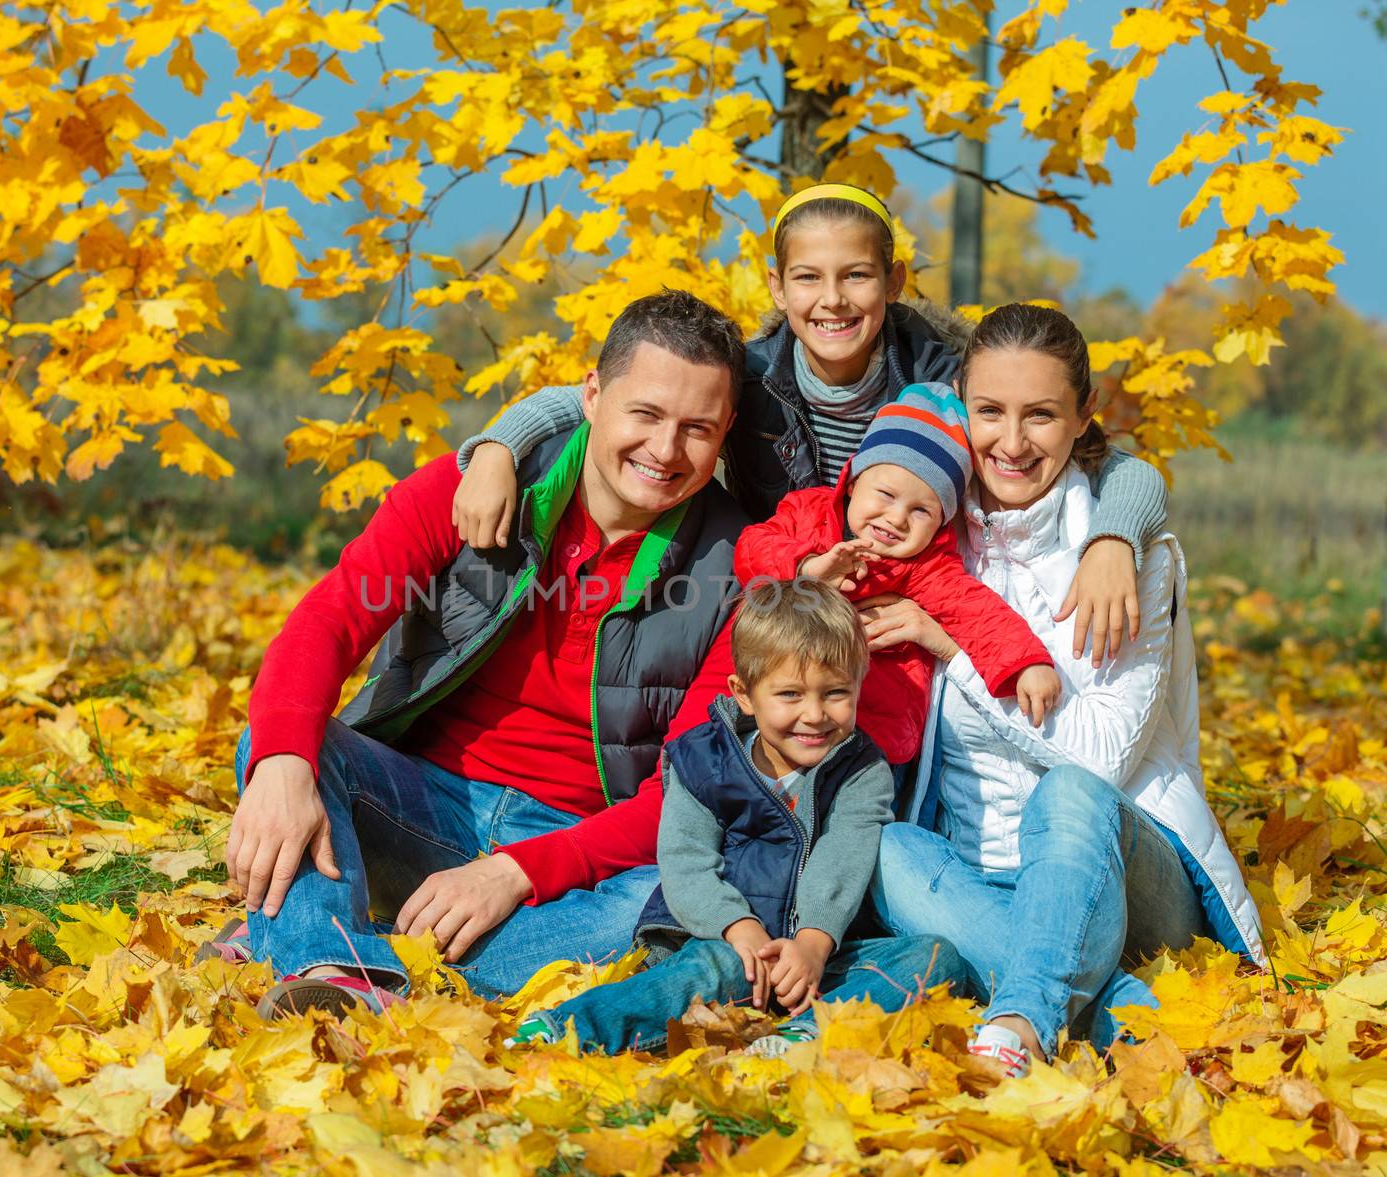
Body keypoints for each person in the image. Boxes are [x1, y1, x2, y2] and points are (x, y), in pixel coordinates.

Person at [215, 290, 756, 1018]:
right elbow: (329, 621)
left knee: (679, 899)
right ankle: (330, 969)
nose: (665, 450)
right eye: (647, 414)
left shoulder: (737, 565)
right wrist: (285, 763)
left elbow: (684, 790)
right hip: (420, 800)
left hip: (575, 849)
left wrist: (514, 873)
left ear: (724, 435)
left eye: (697, 429)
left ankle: (346, 939)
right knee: (281, 742)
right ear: (591, 395)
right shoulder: (474, 487)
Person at [452, 183, 1167, 668]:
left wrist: (1112, 536)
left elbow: (1107, 457)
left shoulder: (946, 374)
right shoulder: (753, 371)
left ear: (892, 282)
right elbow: (600, 400)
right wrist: (495, 449)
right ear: (776, 287)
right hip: (780, 585)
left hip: (913, 603)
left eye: (856, 276)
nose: (832, 300)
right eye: (808, 279)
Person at [862, 304, 1265, 1077]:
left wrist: (955, 645)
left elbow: (1100, 763)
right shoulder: (932, 534)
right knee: (881, 845)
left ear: (1084, 418)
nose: (1011, 443)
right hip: (974, 868)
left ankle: (1021, 1018)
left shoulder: (1128, 555)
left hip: (1121, 866)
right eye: (990, 412)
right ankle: (1106, 1000)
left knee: (1069, 795)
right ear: (961, 408)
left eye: (1041, 415)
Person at [505, 578, 965, 1056]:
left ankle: (802, 1036)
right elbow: (687, 862)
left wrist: (812, 943)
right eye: (789, 694)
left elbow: (843, 854)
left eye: (835, 693)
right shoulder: (704, 762)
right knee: (713, 969)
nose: (814, 714)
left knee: (933, 958)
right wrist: (739, 928)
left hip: (820, 954)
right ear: (744, 694)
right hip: (724, 940)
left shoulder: (861, 769)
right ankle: (571, 1029)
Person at [734, 382, 1062, 767]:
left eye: (921, 510)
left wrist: (1025, 663)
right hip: (782, 691)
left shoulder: (925, 566)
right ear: (854, 482)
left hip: (871, 715)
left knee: (860, 765)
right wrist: (807, 568)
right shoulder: (810, 513)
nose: (896, 518)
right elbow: (752, 548)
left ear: (942, 521)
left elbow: (976, 612)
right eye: (886, 496)